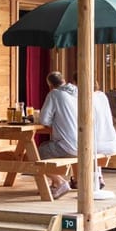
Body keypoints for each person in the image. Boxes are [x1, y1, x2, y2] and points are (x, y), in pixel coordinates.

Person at [37, 71, 78, 199]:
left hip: (67, 147)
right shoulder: (75, 93)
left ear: (50, 85)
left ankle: (60, 182)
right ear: (64, 80)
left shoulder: (54, 94)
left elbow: (44, 120)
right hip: (83, 144)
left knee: (38, 153)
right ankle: (61, 183)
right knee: (46, 147)